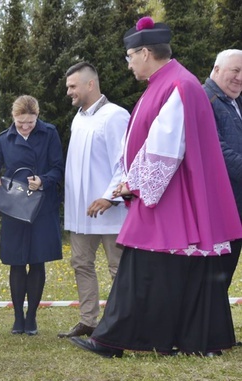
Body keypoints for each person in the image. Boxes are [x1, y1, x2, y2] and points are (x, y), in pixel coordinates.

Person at [70, 17, 242, 358]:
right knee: (175, 272)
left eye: (130, 57)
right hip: (173, 195)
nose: (129, 64)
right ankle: (190, 340)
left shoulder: (176, 86)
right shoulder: (173, 83)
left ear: (145, 52)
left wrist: (134, 185)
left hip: (169, 196)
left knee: (141, 271)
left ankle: (113, 340)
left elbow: (165, 146)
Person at [58, 63, 129, 339]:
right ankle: (88, 320)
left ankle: (122, 321)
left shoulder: (115, 116)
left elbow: (124, 161)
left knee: (118, 267)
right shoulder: (78, 118)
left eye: (72, 86)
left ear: (90, 85)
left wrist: (110, 197)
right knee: (81, 264)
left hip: (109, 210)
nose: (68, 92)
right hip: (81, 212)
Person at [0, 95, 64, 336]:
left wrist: (43, 180)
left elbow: (59, 168)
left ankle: (32, 317)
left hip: (42, 206)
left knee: (37, 260)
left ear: (37, 116)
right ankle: (18, 317)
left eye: (30, 122)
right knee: (17, 262)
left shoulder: (50, 134)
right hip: (14, 209)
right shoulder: (4, 139)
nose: (25, 127)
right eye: (21, 122)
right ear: (13, 117)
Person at [202, 49, 242, 289]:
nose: (240, 78)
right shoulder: (204, 100)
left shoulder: (235, 100)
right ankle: (208, 326)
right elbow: (217, 152)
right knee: (215, 281)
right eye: (235, 71)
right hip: (220, 211)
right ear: (216, 69)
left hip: (237, 206)